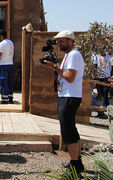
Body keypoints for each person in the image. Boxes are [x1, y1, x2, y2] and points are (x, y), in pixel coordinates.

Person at [43, 30, 85, 177]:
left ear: (70, 41)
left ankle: (74, 168)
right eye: (58, 41)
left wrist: (55, 67)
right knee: (71, 130)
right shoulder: (69, 54)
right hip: (68, 95)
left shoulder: (73, 55)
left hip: (69, 96)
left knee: (68, 133)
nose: (59, 44)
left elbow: (70, 77)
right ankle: (77, 162)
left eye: (61, 41)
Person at [0, 29, 14, 104]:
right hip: (10, 63)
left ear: (1, 36)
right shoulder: (11, 42)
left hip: (3, 64)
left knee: (3, 81)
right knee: (9, 81)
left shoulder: (2, 44)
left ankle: (4, 98)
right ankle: (10, 97)